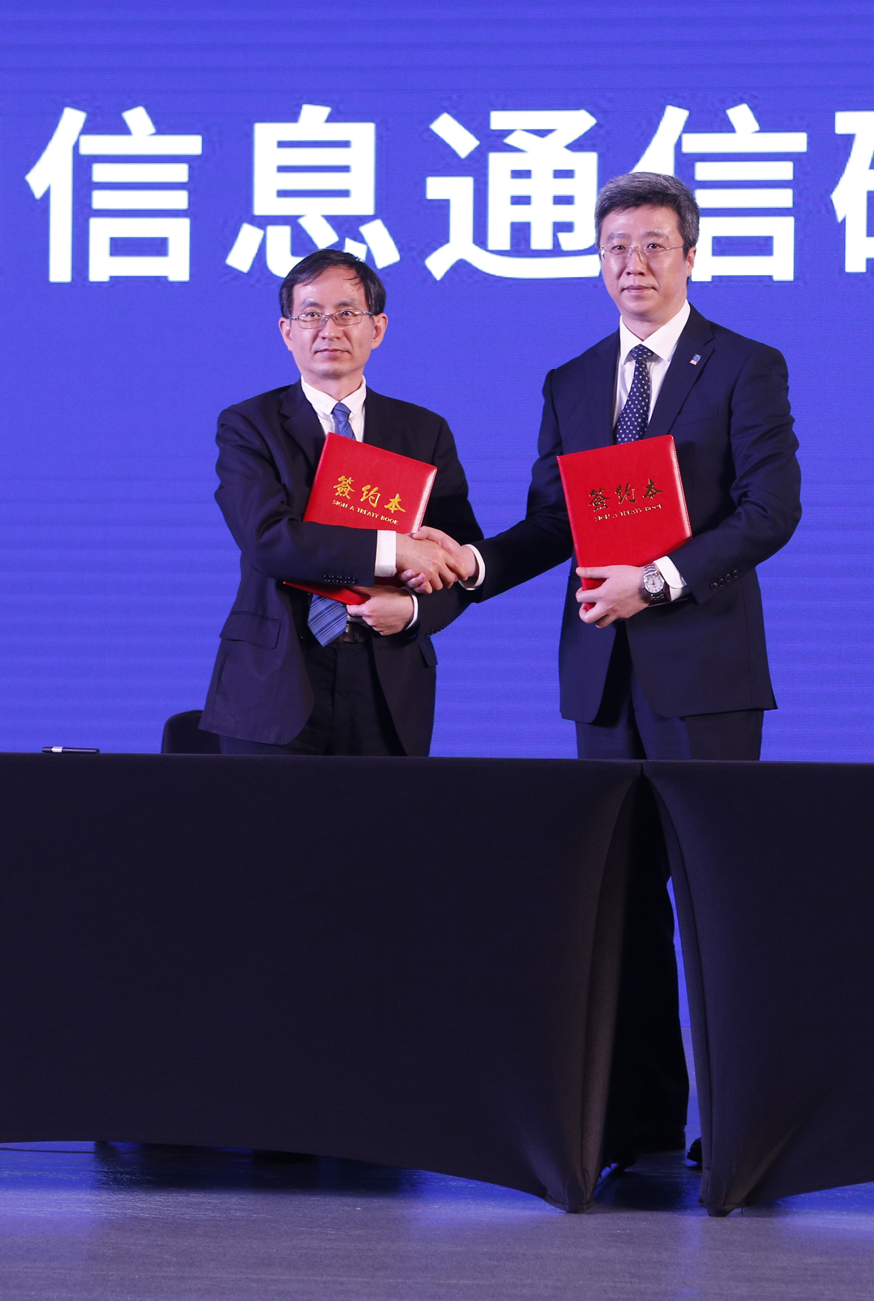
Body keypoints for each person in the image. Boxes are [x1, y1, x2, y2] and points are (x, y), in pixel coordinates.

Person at [420, 172, 802, 1166]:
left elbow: (770, 512)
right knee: (619, 909)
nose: (633, 264)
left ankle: (734, 1127)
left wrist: (659, 580)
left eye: (653, 246)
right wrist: (468, 569)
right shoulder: (574, 379)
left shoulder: (744, 366)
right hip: (600, 677)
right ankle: (637, 1124)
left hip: (704, 677)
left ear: (690, 256)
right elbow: (555, 522)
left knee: (716, 907)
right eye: (616, 248)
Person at [199, 249, 478, 757]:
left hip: (388, 678)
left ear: (378, 327)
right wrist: (394, 549)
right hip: (276, 677)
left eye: (347, 312)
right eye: (311, 314)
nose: (329, 329)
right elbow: (269, 541)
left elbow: (456, 558)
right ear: (287, 331)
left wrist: (414, 610)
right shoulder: (249, 425)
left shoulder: (423, 431)